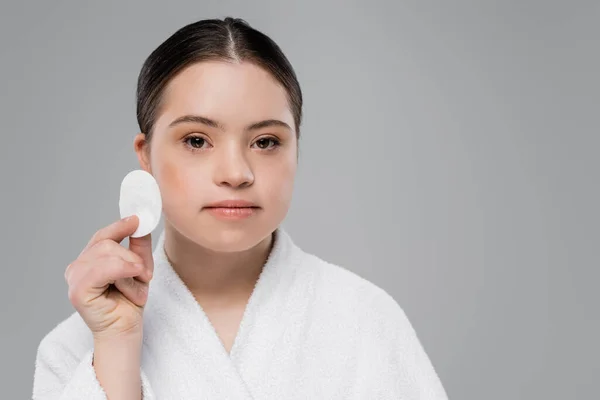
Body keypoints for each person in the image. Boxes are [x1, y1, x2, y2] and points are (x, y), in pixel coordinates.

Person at [32, 17, 448, 400]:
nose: (236, 173)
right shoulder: (76, 348)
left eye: (266, 141)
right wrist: (116, 347)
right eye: (197, 140)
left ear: (296, 151)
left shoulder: (367, 322)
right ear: (146, 155)